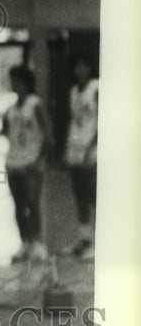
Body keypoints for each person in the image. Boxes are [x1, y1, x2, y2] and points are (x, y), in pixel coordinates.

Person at [3, 65, 54, 264]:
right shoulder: (11, 108)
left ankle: (38, 244)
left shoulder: (35, 104)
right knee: (18, 204)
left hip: (32, 161)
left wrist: (39, 159)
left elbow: (49, 135)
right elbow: (6, 131)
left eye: (18, 80)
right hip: (14, 161)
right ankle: (24, 243)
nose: (14, 84)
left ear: (26, 83)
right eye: (13, 80)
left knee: (32, 202)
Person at [62, 52, 99, 260]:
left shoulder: (97, 87)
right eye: (77, 66)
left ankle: (98, 242)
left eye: (84, 65)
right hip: (74, 148)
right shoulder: (74, 90)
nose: (81, 70)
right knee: (79, 195)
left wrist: (92, 147)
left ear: (90, 67)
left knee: (94, 195)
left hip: (91, 149)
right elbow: (74, 121)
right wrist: (66, 150)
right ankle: (84, 239)